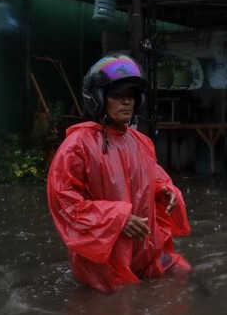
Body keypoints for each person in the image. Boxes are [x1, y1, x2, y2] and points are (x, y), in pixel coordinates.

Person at [47, 53, 191, 292]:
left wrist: (167, 192)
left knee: (182, 279)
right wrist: (117, 219)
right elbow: (64, 202)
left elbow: (153, 179)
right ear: (99, 98)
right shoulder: (77, 146)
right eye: (118, 95)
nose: (127, 102)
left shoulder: (141, 142)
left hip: (145, 250)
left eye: (131, 96)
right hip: (105, 259)